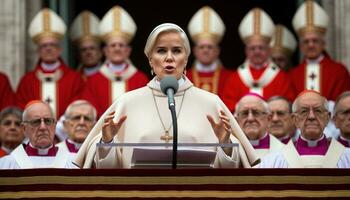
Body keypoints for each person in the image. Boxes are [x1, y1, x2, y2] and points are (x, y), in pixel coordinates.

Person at [74, 23, 259, 169]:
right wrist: (107, 142)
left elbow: (230, 172)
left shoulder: (211, 103)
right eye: (161, 50)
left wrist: (225, 144)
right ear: (150, 59)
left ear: (186, 59)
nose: (169, 58)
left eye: (177, 51)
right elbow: (109, 171)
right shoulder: (127, 103)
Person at [222, 8, 296, 112]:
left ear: (269, 50)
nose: (257, 52)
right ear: (246, 51)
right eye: (252, 48)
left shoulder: (281, 78)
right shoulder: (234, 79)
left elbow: (287, 107)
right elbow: (227, 108)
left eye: (261, 48)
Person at [15, 8, 85, 118]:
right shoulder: (27, 81)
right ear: (38, 50)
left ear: (60, 49)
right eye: (44, 46)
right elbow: (20, 109)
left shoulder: (74, 79)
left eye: (52, 45)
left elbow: (79, 107)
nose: (48, 49)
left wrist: (61, 129)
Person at [80, 5, 149, 117]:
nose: (117, 48)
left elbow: (145, 108)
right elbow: (89, 111)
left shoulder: (140, 79)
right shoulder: (93, 80)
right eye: (113, 45)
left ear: (128, 51)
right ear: (106, 51)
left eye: (121, 45)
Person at [259, 90, 350, 168]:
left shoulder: (347, 157)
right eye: (304, 111)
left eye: (317, 111)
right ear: (295, 120)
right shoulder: (273, 161)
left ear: (327, 118)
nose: (311, 116)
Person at [290, 0, 350, 101]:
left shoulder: (339, 71)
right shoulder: (293, 75)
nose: (311, 45)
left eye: (315, 41)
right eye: (306, 42)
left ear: (323, 44)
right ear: (300, 46)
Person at [0, 101, 74, 169]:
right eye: (36, 122)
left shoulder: (72, 164)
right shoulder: (6, 164)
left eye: (48, 121)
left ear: (54, 125)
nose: (43, 127)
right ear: (24, 128)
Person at [186, 6, 232, 98]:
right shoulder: (185, 77)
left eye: (210, 47)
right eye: (201, 47)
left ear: (217, 51)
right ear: (194, 51)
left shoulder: (230, 77)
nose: (205, 50)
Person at [235, 93, 284, 158]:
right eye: (244, 113)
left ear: (268, 119)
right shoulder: (229, 152)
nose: (250, 118)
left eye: (256, 113)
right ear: (237, 120)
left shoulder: (284, 152)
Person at [69, 10, 103, 81]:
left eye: (92, 48)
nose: (88, 52)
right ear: (78, 55)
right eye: (84, 50)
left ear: (100, 53)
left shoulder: (108, 77)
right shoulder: (73, 80)